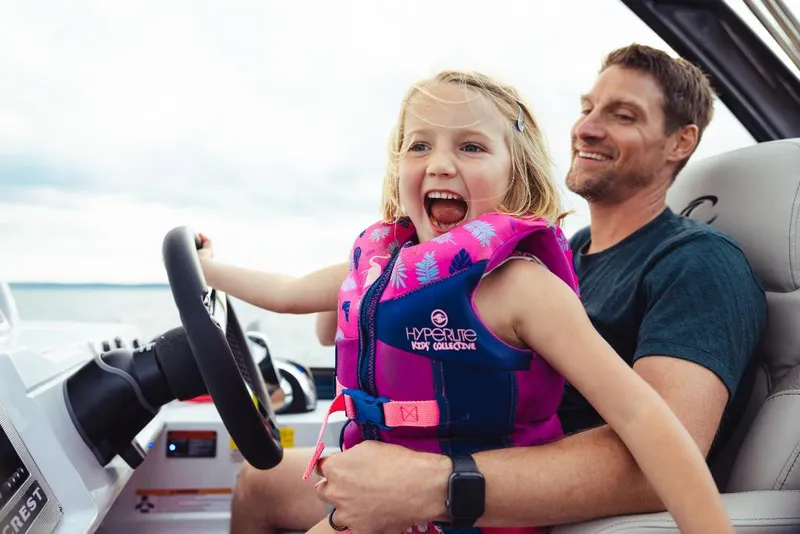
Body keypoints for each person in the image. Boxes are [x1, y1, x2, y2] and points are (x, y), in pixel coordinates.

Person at [200, 57, 743, 534]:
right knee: (258, 483)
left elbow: (658, 431)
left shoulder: (681, 263)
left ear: (681, 141)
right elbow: (300, 297)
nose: (587, 126)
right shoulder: (567, 252)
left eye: (622, 114)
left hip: (482, 497)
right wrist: (214, 271)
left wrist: (435, 483)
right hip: (393, 474)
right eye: (586, 107)